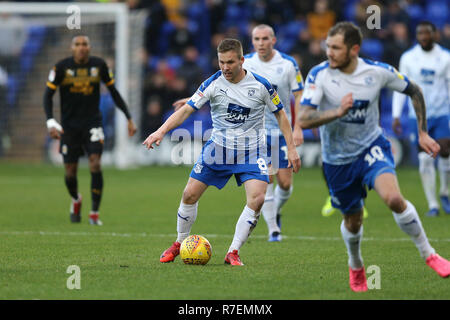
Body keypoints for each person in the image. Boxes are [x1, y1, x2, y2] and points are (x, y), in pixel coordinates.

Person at [297, 22, 450, 292]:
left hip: (371, 146)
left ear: (354, 49)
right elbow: (305, 118)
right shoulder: (319, 75)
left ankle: (430, 254)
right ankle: (355, 264)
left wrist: (423, 133)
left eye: (336, 47)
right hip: (337, 159)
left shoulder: (377, 72)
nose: (329, 52)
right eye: (328, 46)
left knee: (393, 198)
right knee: (353, 220)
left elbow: (414, 89)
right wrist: (336, 112)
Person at [143, 38, 300, 266]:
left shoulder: (262, 86)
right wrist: (160, 131)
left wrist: (292, 148)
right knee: (189, 195)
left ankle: (233, 252)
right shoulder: (213, 83)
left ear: (242, 60)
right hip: (219, 149)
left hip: (251, 151)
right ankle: (179, 243)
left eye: (230, 62)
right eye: (221, 62)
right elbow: (187, 110)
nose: (225, 67)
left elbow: (281, 115)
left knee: (257, 199)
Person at [44, 35, 137, 225]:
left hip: (93, 124)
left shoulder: (99, 65)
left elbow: (114, 93)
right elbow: (48, 96)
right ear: (72, 48)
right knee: (70, 172)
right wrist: (50, 122)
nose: (81, 47)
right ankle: (76, 199)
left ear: (90, 47)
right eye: (77, 44)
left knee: (95, 163)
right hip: (69, 128)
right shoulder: (61, 67)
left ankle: (94, 212)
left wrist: (128, 117)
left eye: (84, 44)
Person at [243, 24, 304, 242]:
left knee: (285, 183)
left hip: (281, 130)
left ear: (273, 40)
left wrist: (298, 127)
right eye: (256, 39)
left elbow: (299, 95)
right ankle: (273, 230)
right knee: (266, 179)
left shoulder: (288, 64)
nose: (260, 43)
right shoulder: (247, 63)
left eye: (264, 39)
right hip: (256, 133)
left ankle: (274, 210)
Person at [392, 21, 450, 217]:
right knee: (424, 160)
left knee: (444, 152)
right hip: (416, 116)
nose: (424, 37)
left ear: (435, 35)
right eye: (420, 34)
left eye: (427, 33)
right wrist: (396, 114)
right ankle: (433, 204)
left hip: (441, 113)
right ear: (416, 35)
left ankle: (445, 191)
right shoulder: (408, 58)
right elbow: (401, 87)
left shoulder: (445, 57)